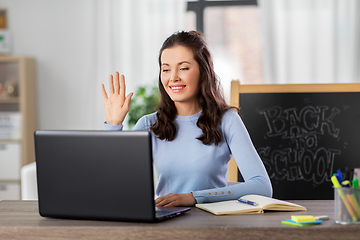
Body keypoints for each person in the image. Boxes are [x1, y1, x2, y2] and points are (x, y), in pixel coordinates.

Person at [101, 30, 272, 207]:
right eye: (166, 69)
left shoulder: (227, 120)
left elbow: (262, 186)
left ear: (203, 72)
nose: (173, 77)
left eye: (183, 68)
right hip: (165, 224)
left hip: (215, 223)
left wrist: (194, 197)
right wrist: (114, 126)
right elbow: (113, 185)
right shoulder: (148, 124)